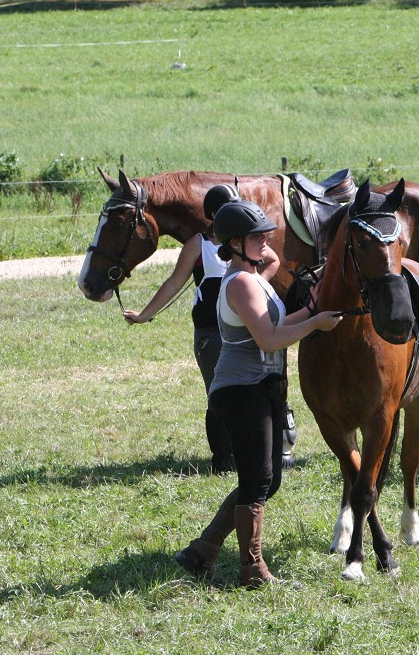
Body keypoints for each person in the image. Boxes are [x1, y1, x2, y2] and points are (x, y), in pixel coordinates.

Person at [174, 200, 342, 588]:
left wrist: (316, 308)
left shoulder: (253, 277)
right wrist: (315, 321)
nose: (266, 238)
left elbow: (278, 322)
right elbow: (268, 339)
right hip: (240, 392)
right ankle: (252, 569)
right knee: (257, 480)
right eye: (257, 236)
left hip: (258, 388)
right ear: (234, 242)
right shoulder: (240, 282)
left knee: (267, 480)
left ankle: (203, 549)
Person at [123, 184, 240, 473]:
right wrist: (145, 314)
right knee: (218, 394)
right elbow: (174, 283)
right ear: (214, 214)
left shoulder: (246, 243)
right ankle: (223, 460)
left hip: (243, 331)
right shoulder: (197, 245)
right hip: (211, 333)